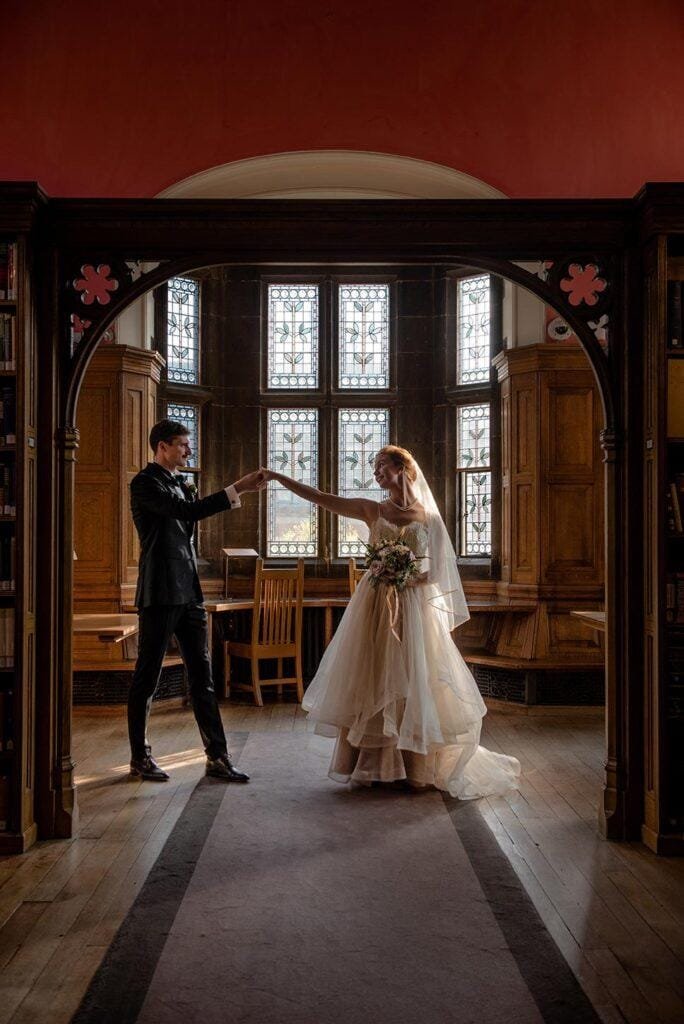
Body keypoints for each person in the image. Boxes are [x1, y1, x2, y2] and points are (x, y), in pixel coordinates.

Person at [262, 445, 521, 798]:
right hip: (373, 604)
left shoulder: (428, 517)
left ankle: (415, 769)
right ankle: (371, 767)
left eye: (381, 465)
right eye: (374, 468)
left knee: (415, 679)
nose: (375, 473)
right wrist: (278, 477)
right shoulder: (373, 509)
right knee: (372, 676)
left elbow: (439, 572)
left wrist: (410, 576)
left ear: (403, 467)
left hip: (412, 607)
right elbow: (322, 498)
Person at [129, 418, 265, 782]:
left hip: (189, 592)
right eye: (183, 444)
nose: (189, 451)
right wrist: (238, 488)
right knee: (147, 677)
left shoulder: (182, 485)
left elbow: (186, 521)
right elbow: (186, 512)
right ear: (162, 447)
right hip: (159, 593)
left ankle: (217, 757)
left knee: (203, 677)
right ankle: (139, 757)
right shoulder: (143, 484)